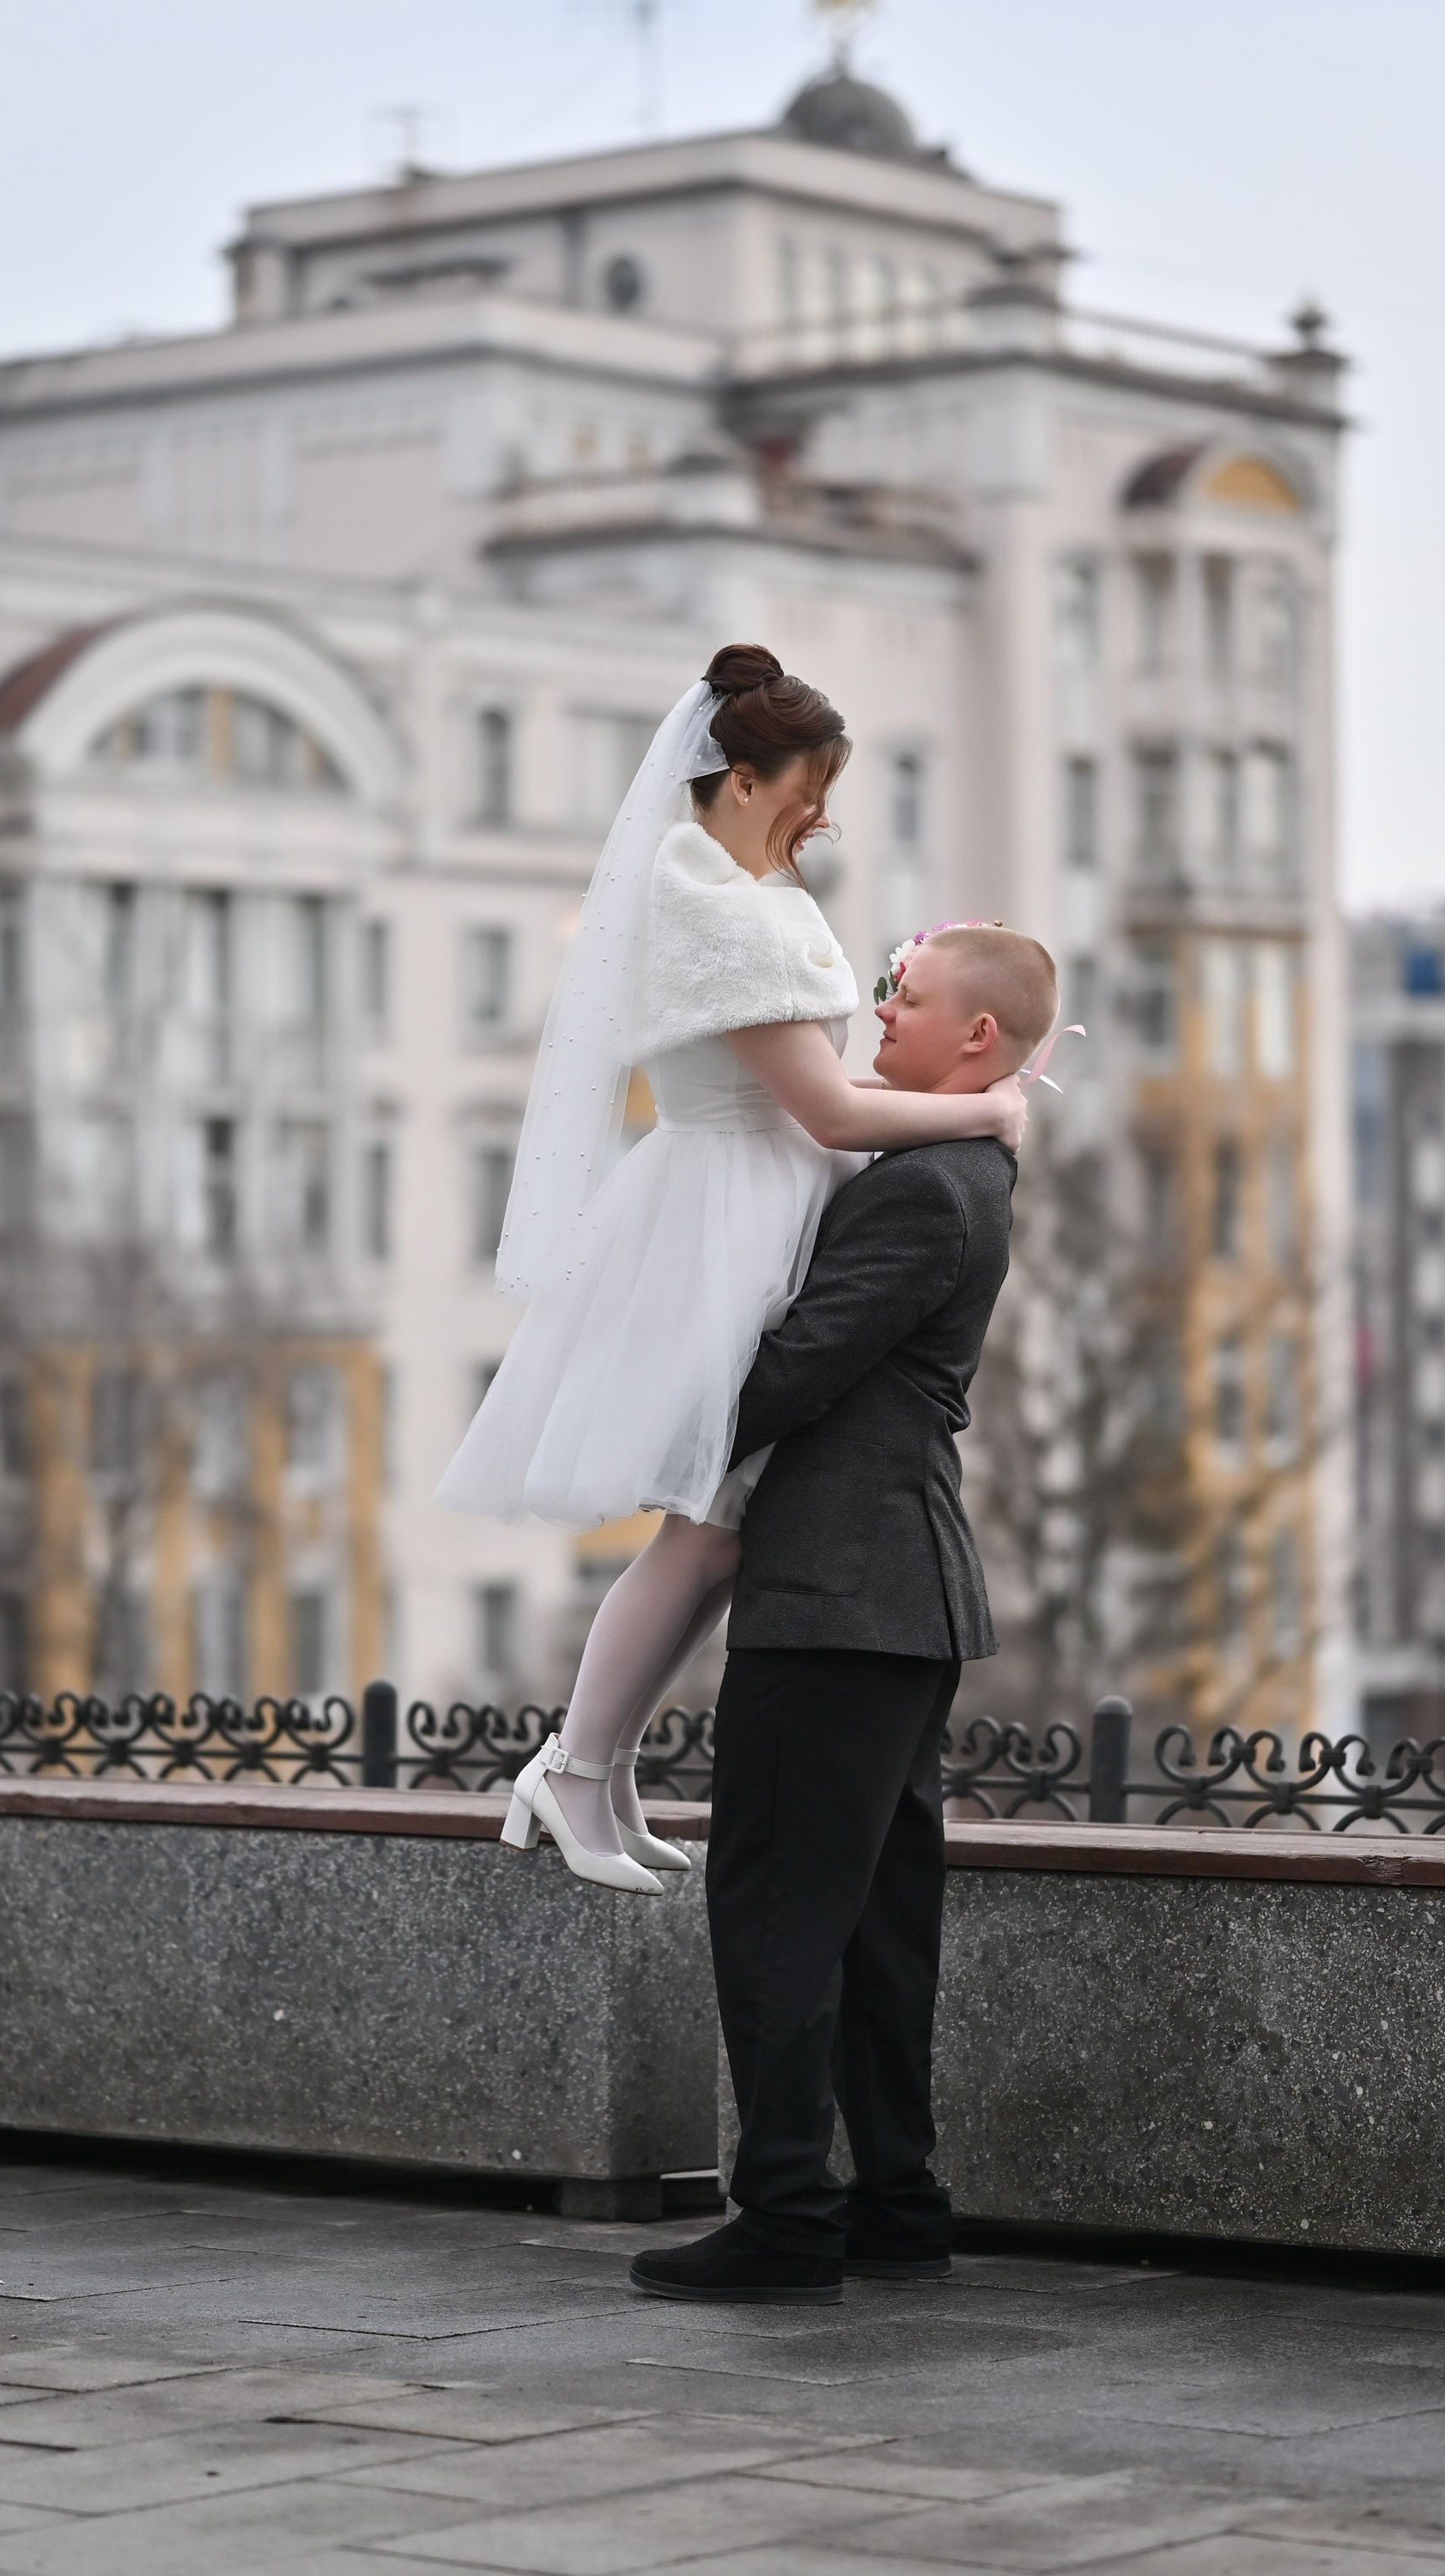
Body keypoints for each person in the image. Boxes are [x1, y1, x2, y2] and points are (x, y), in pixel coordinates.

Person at [435, 646, 1027, 1893]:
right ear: (746, 779)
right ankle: (574, 1769)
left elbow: (818, 1100)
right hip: (723, 1222)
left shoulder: (740, 891)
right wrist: (986, 1110)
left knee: (720, 1530)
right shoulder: (708, 904)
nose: (823, 813)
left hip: (755, 1208)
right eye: (811, 786)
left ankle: (600, 1768)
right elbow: (830, 1109)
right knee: (706, 1530)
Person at [628, 920, 1058, 2305]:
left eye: (905, 997)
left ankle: (788, 2218)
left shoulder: (926, 1188)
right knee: (874, 1922)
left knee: (777, 1912)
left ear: (977, 1035)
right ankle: (896, 2203)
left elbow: (795, 1370)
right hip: (892, 1599)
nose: (879, 1015)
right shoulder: (950, 1163)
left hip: (840, 1599)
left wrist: (638, 1407)